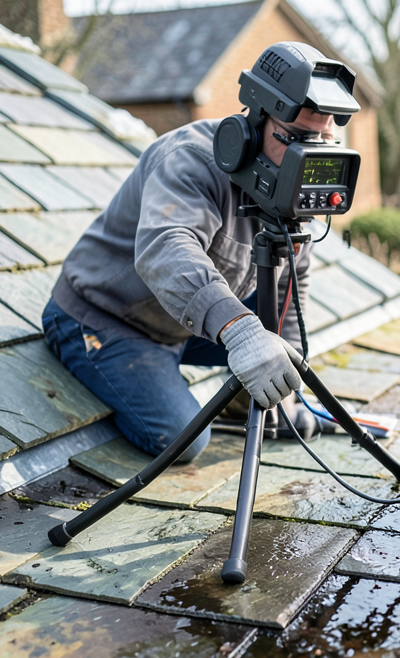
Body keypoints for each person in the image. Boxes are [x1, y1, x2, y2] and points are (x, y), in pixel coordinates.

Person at [42, 48, 332, 463]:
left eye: (323, 138)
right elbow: (166, 249)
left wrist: (287, 390)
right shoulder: (192, 157)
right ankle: (133, 374)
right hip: (106, 318)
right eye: (299, 139)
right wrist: (241, 333)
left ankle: (241, 397)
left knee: (282, 354)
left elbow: (289, 286)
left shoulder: (290, 180)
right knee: (185, 441)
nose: (312, 156)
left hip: (184, 321)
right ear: (255, 123)